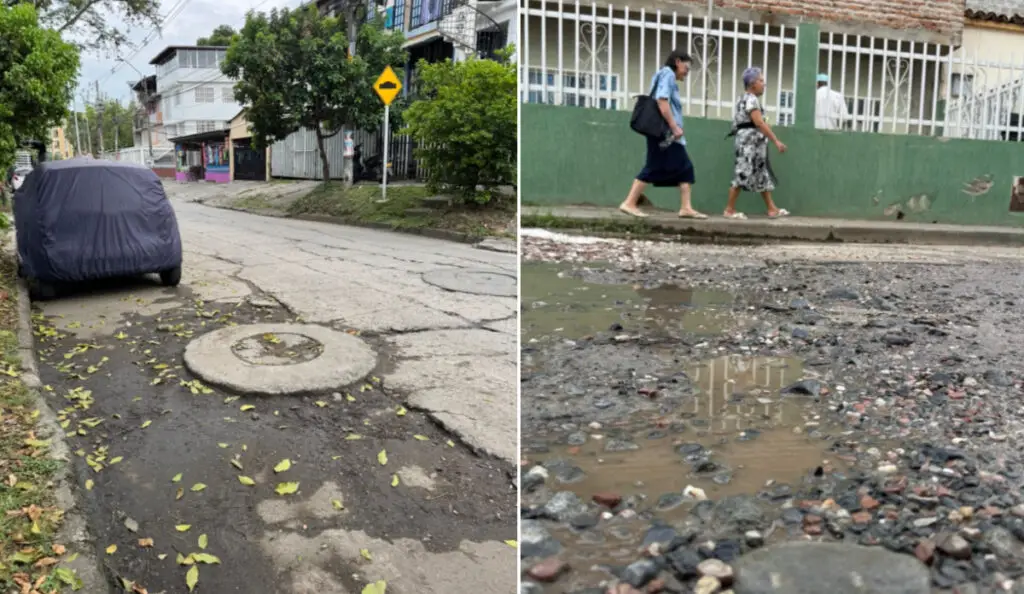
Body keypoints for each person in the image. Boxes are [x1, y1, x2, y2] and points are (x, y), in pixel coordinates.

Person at [619, 49, 707, 219]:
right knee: (655, 166)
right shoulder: (667, 74)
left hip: (665, 132)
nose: (687, 72)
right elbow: (662, 100)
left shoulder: (665, 75)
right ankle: (629, 203)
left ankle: (686, 207)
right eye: (686, 67)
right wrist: (674, 127)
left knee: (684, 168)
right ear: (678, 62)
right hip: (664, 132)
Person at [722, 67, 789, 219]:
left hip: (752, 143)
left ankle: (772, 209)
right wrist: (776, 140)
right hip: (748, 144)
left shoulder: (742, 99)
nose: (763, 84)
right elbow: (759, 122)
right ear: (752, 84)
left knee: (761, 175)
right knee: (742, 174)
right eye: (761, 81)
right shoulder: (751, 100)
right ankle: (729, 209)